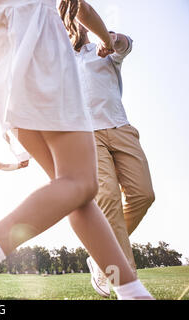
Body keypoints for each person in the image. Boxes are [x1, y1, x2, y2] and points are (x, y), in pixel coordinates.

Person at [0, 0, 154, 300]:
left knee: (75, 194)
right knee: (82, 183)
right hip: (45, 60)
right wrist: (104, 39)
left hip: (9, 80)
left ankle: (132, 292)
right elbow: (82, 9)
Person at [72, 23, 155, 297]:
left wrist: (111, 38)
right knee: (107, 197)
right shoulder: (63, 60)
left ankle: (100, 256)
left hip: (120, 128)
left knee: (143, 195)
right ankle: (129, 286)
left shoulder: (103, 49)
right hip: (87, 135)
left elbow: (126, 44)